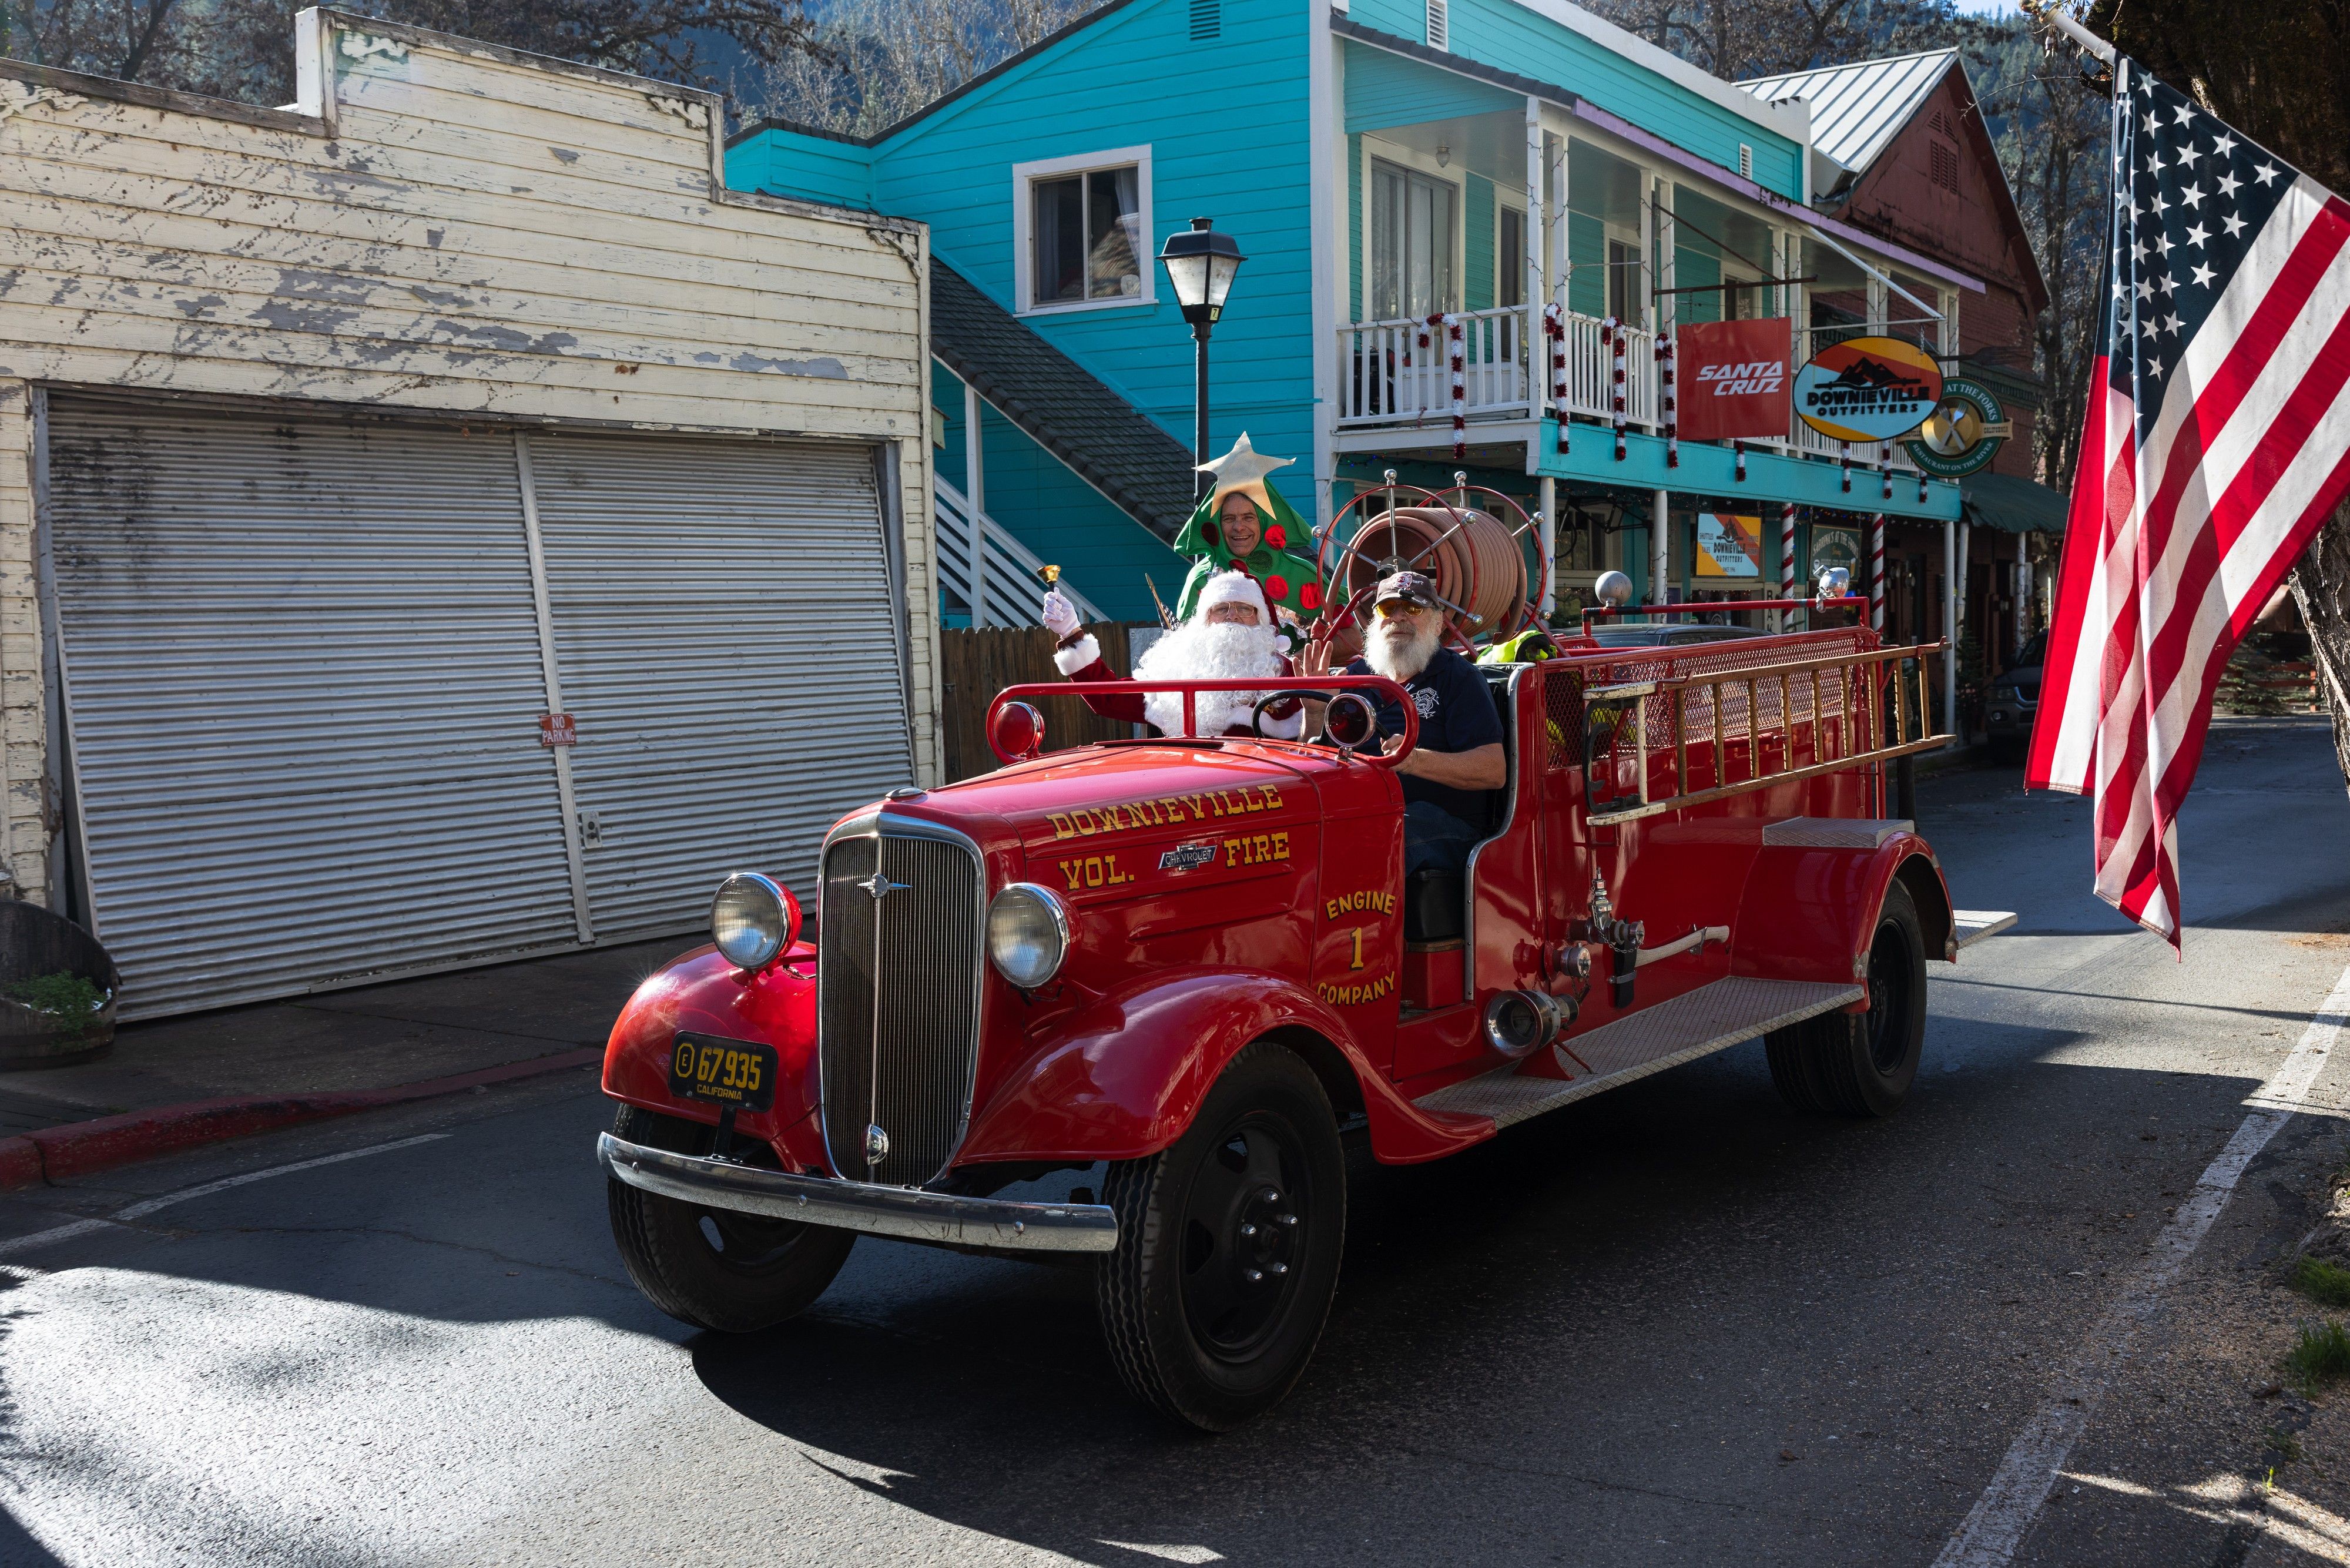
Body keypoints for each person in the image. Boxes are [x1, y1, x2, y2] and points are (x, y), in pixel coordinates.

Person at [1303, 569, 1505, 876]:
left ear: (1437, 624)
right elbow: (1315, 760)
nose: (1399, 618)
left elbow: (1493, 771)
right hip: (1360, 811)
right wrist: (1315, 712)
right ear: (1375, 621)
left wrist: (1413, 761)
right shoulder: (1355, 676)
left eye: (1413, 609)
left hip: (1445, 823)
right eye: (1388, 608)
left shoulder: (1460, 678)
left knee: (1377, 834)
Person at [1042, 568, 1303, 738]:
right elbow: (1108, 698)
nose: (1232, 616)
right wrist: (1071, 632)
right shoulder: (1180, 666)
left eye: (1245, 609)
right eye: (1221, 609)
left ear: (1260, 619)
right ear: (1205, 619)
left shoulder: (1286, 671)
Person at [1172, 434, 1323, 628]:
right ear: (1217, 527)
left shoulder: (1303, 575)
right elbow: (1184, 646)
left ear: (1265, 523)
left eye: (1248, 517)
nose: (1238, 527)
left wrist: (1301, 658)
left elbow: (1351, 638)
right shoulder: (1200, 581)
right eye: (1228, 519)